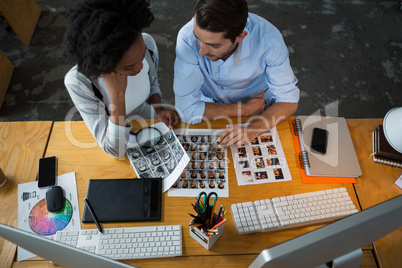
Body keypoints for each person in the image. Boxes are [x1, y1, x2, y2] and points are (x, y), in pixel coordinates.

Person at [174, 0, 299, 147]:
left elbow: (288, 101)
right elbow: (186, 110)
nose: (201, 50)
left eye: (214, 45)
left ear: (240, 36)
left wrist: (252, 130)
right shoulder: (187, 37)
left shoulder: (269, 40)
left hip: (261, 110)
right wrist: (244, 109)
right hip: (210, 109)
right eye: (198, 38)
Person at [64, 0, 179, 158]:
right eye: (128, 67)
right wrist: (117, 96)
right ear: (105, 64)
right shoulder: (79, 82)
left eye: (141, 56)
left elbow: (152, 82)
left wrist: (159, 108)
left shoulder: (148, 44)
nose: (139, 67)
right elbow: (115, 152)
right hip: (115, 130)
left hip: (146, 118)